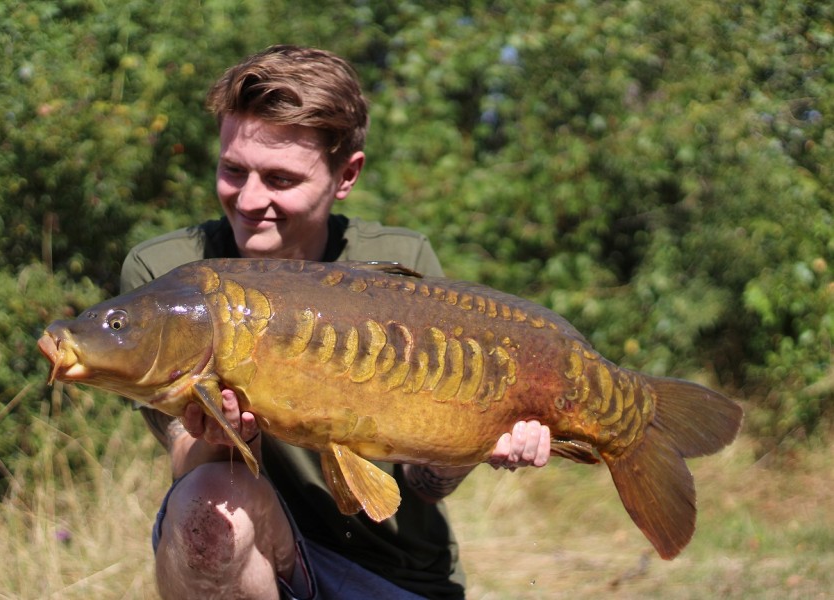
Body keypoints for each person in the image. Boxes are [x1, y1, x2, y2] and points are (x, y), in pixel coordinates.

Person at [120, 45, 551, 600]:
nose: (250, 199)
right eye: (233, 170)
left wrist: (479, 442)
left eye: (279, 179)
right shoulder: (172, 279)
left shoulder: (403, 269)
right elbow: (184, 457)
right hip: (258, 547)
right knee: (204, 506)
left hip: (395, 568)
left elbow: (421, 486)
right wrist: (222, 436)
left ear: (346, 175)